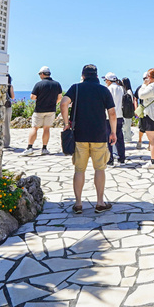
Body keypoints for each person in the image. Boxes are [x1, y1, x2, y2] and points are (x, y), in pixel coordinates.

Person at [61, 64, 116, 214]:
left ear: (83, 75)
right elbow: (112, 113)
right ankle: (100, 203)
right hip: (99, 135)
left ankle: (78, 204)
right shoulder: (103, 90)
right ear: (97, 76)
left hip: (79, 135)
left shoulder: (76, 88)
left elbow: (63, 103)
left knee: (79, 170)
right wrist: (113, 132)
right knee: (100, 169)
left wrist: (66, 123)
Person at [27, 66, 62, 155]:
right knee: (46, 129)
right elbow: (59, 98)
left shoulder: (39, 84)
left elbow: (32, 97)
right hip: (51, 109)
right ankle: (44, 148)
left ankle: (29, 147)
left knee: (35, 128)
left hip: (39, 110)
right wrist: (54, 103)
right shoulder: (57, 84)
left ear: (42, 74)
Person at [103, 72, 125, 166]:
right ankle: (121, 157)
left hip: (109, 116)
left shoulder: (108, 89)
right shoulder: (121, 88)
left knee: (109, 137)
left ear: (108, 80)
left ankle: (110, 159)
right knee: (120, 137)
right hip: (120, 115)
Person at [134, 71, 148, 150]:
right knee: (142, 128)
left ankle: (150, 143)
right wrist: (136, 109)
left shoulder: (152, 88)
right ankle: (139, 140)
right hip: (143, 110)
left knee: (151, 129)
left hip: (151, 110)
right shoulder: (140, 88)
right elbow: (135, 98)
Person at [120, 77, 136, 145]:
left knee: (126, 125)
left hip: (127, 111)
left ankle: (128, 138)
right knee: (127, 125)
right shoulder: (130, 91)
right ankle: (128, 136)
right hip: (129, 111)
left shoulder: (127, 92)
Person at [4, 74, 15, 148]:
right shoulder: (9, 86)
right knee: (6, 125)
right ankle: (6, 143)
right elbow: (13, 97)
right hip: (7, 106)